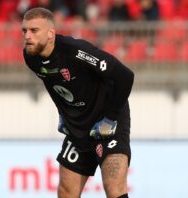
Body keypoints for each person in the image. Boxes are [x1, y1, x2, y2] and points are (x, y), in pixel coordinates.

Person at [22, 7, 134, 198]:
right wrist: (62, 114)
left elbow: (125, 76)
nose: (27, 36)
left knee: (114, 188)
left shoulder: (77, 52)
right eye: (24, 31)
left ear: (51, 33)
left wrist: (111, 119)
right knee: (66, 191)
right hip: (79, 126)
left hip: (107, 119)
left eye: (34, 30)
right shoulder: (31, 57)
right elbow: (53, 84)